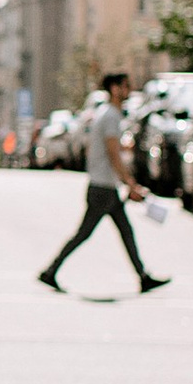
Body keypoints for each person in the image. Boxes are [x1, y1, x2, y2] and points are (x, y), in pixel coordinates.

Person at [38, 71, 167, 297]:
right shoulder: (110, 117)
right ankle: (50, 271)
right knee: (85, 234)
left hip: (105, 186)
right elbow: (112, 153)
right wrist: (130, 184)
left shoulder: (106, 114)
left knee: (125, 232)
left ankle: (143, 276)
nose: (129, 90)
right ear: (115, 89)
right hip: (102, 188)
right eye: (125, 86)